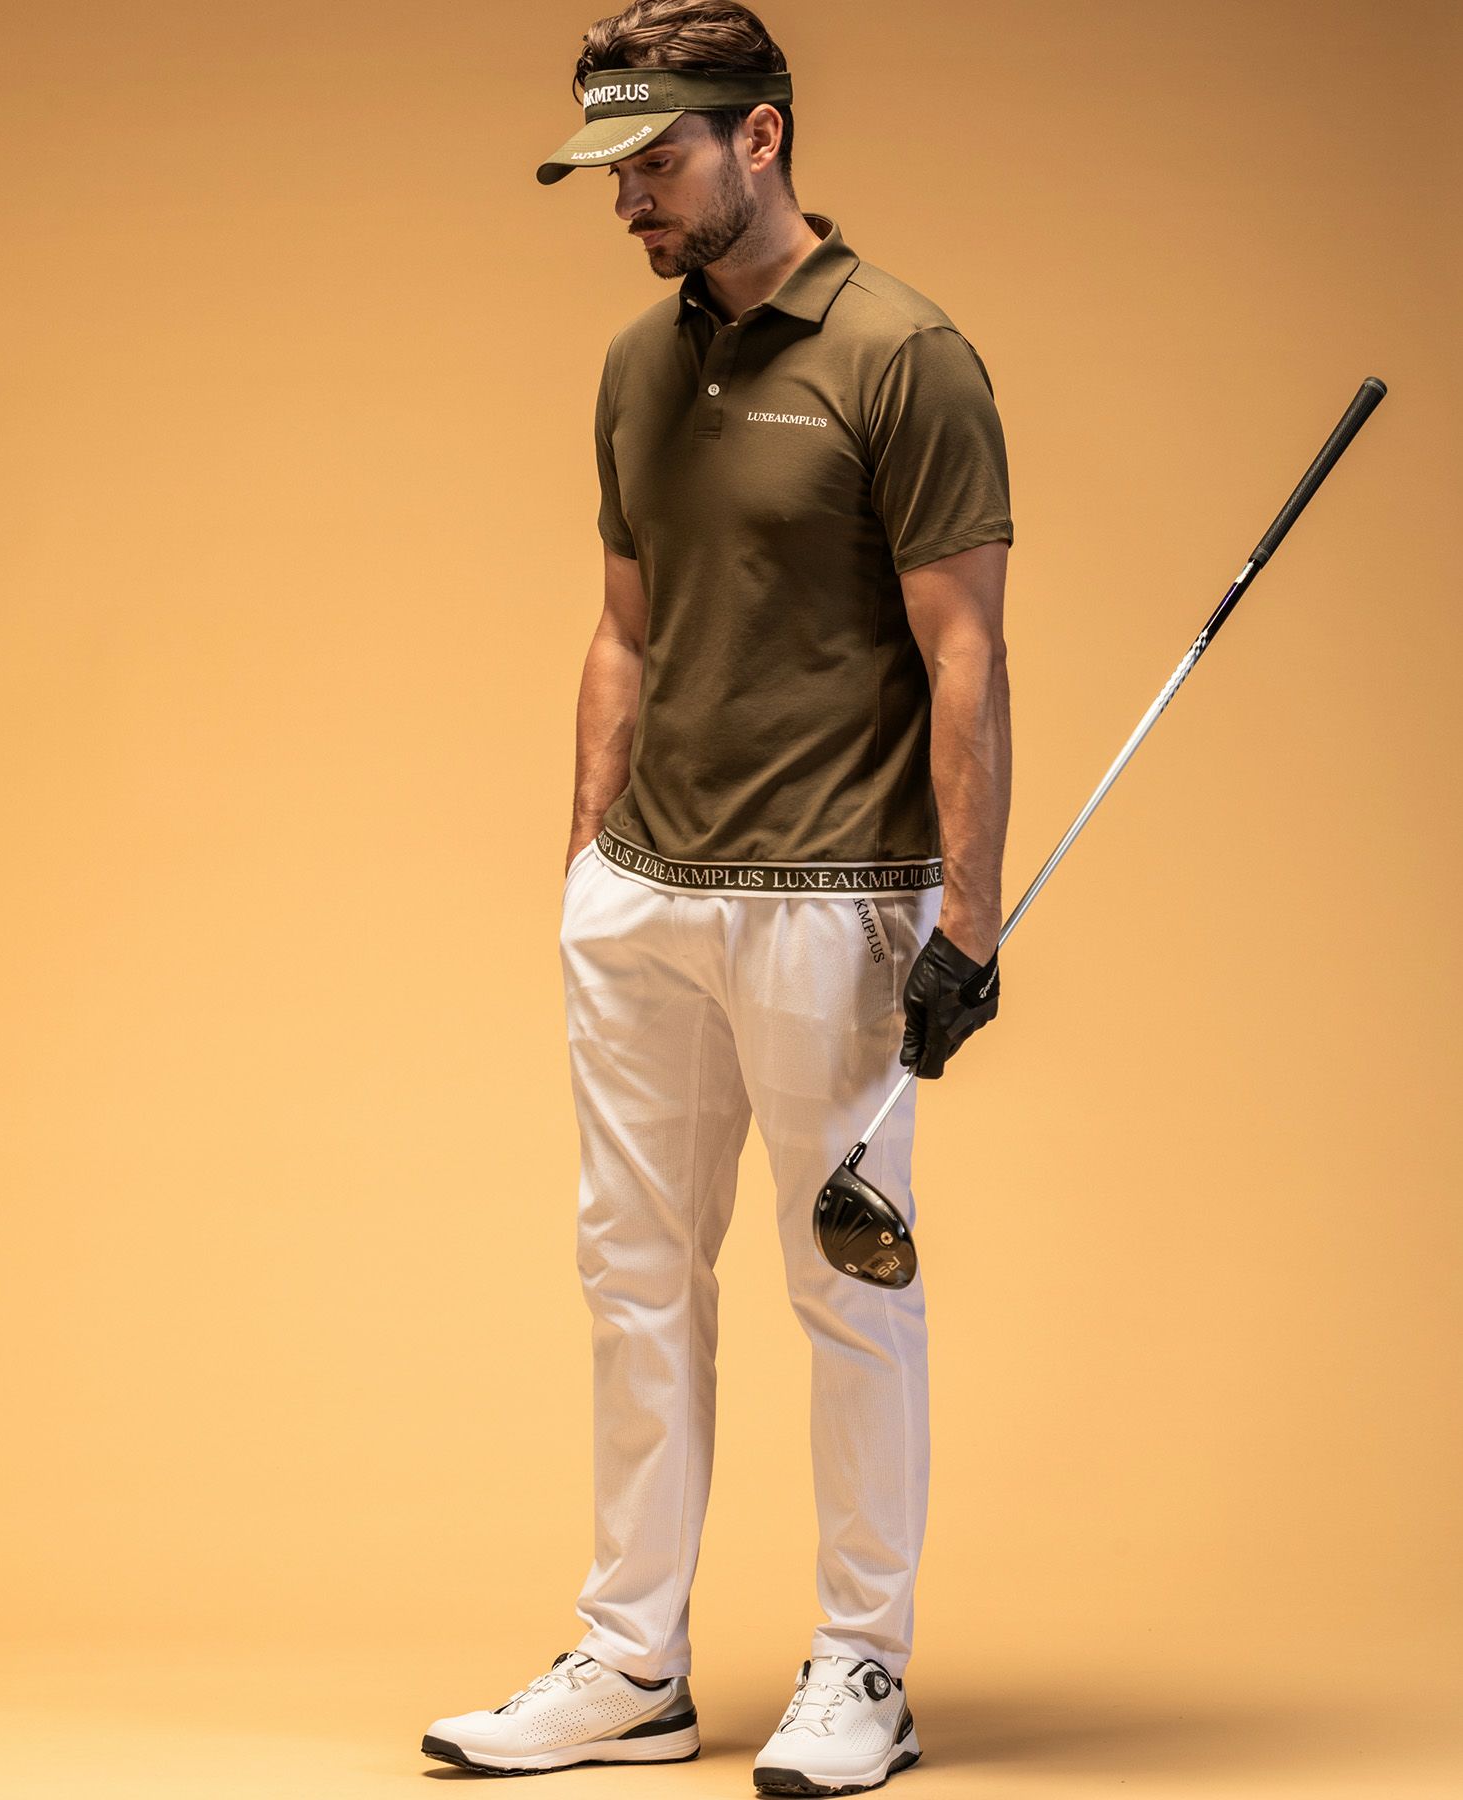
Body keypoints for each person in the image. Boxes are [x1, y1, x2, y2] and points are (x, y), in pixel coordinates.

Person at [422, 3, 1012, 1791]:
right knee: (632, 1280)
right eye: (611, 172)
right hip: (646, 904)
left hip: (834, 899)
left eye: (656, 163)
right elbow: (624, 627)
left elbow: (966, 655)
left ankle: (862, 1665)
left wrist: (969, 923)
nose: (631, 203)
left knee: (849, 1282)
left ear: (761, 136)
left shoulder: (907, 356)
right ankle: (631, 1664)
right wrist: (584, 863)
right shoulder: (634, 364)